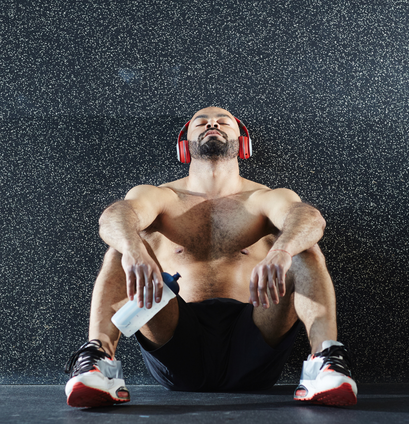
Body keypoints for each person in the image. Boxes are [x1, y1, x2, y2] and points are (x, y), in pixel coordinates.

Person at [64, 106, 357, 408]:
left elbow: (310, 219)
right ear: (184, 144)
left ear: (243, 143)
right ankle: (98, 362)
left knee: (303, 247)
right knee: (122, 246)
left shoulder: (265, 198)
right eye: (200, 122)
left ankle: (325, 362)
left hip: (254, 337)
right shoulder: (162, 196)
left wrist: (282, 251)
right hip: (177, 341)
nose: (212, 124)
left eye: (223, 121)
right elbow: (114, 216)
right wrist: (134, 250)